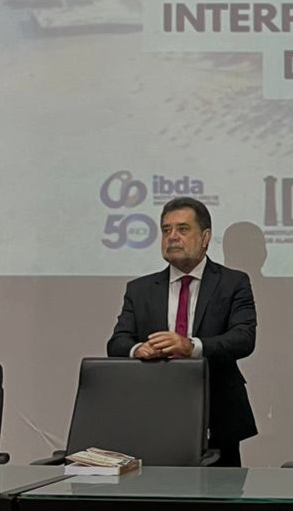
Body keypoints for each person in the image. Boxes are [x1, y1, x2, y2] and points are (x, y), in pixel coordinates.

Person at [107, 197, 257, 465]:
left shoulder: (233, 282)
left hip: (216, 411)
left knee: (222, 489)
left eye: (183, 229)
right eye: (166, 230)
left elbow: (243, 339)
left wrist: (191, 347)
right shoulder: (140, 289)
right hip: (153, 411)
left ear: (205, 237)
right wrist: (138, 349)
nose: (172, 237)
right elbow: (117, 342)